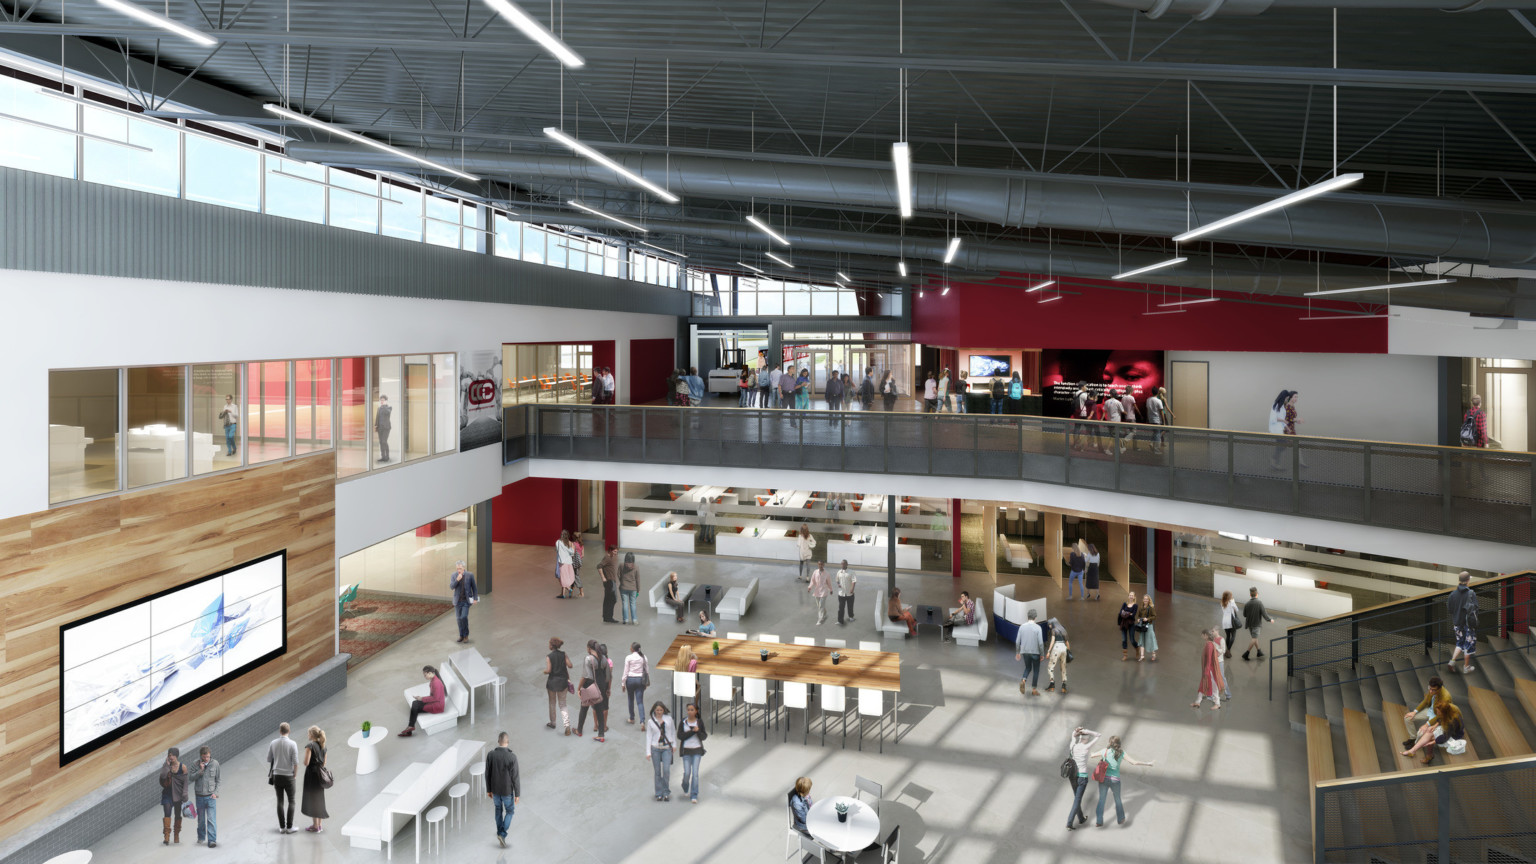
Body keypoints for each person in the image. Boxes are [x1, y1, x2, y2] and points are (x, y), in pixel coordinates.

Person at [1091, 735, 1154, 826]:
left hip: (1103, 779)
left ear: (1110, 743)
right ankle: (1120, 819)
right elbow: (1134, 762)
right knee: (1117, 799)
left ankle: (1099, 821)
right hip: (1115, 780)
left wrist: (1092, 752)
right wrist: (1148, 764)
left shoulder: (1104, 751)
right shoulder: (1122, 753)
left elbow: (1092, 756)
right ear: (1119, 744)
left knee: (1102, 800)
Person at [485, 732, 521, 848]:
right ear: (508, 742)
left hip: (495, 790)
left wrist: (489, 789)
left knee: (498, 809)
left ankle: (499, 832)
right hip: (507, 791)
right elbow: (515, 777)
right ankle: (502, 833)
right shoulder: (512, 757)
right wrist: (517, 793)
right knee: (510, 811)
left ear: (498, 741)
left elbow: (487, 774)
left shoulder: (491, 755)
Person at [266, 723, 300, 834]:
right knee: (292, 801)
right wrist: (294, 774)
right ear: (288, 731)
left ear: (280, 731)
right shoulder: (293, 744)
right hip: (289, 776)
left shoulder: (273, 743)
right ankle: (290, 827)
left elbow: (269, 759)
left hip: (277, 776)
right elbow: (295, 762)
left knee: (280, 801)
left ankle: (282, 827)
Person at [1065, 727, 1100, 830]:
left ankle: (1081, 818)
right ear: (1087, 739)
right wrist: (1087, 731)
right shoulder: (1087, 747)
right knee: (1077, 800)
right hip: (1082, 777)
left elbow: (1072, 736)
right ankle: (1069, 823)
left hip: (1072, 776)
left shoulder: (1073, 745)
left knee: (1077, 798)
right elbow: (1098, 735)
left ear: (1079, 738)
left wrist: (1076, 732)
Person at [399, 665, 446, 737]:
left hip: (437, 706)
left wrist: (422, 699)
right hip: (434, 702)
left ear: (430, 673)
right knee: (415, 704)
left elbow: (435, 698)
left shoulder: (436, 683)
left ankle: (410, 728)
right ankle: (410, 728)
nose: (424, 677)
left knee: (415, 706)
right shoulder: (434, 680)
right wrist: (421, 698)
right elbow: (434, 697)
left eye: (425, 675)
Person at [644, 701, 677, 801]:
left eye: (661, 710)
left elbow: (672, 732)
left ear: (664, 710)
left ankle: (666, 791)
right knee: (657, 772)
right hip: (655, 748)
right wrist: (648, 752)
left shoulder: (669, 719)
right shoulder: (651, 721)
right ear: (654, 710)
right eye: (657, 710)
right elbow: (649, 736)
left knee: (666, 770)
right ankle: (659, 793)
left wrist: (674, 744)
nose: (659, 712)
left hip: (667, 747)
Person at [1447, 571, 1478, 674]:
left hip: (1457, 624)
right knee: (1468, 645)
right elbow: (1475, 609)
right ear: (1468, 580)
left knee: (1460, 643)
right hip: (1468, 624)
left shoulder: (1452, 594)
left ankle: (1452, 662)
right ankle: (1466, 667)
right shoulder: (1471, 593)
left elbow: (1450, 610)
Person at [189, 745, 220, 847]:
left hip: (211, 797)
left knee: (211, 819)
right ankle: (201, 837)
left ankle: (212, 840)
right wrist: (200, 771)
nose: (206, 759)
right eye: (204, 757)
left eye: (208, 757)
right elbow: (191, 778)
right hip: (200, 797)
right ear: (201, 756)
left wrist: (216, 793)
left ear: (210, 755)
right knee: (201, 820)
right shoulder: (195, 764)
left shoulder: (215, 764)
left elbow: (218, 780)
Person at [677, 702, 708, 803]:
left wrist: (698, 731)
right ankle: (685, 786)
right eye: (688, 710)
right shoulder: (683, 722)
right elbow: (680, 736)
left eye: (692, 710)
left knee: (695, 774)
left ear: (696, 711)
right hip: (686, 751)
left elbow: (704, 737)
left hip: (697, 750)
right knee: (687, 773)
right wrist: (692, 732)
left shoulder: (699, 722)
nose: (689, 712)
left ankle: (694, 794)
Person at [159, 746, 189, 845]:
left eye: (172, 755)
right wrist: (166, 765)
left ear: (176, 756)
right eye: (169, 755)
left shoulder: (182, 767)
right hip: (167, 794)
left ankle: (176, 835)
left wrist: (185, 793)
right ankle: (166, 836)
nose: (170, 757)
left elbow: (185, 782)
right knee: (167, 813)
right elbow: (163, 776)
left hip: (178, 795)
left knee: (177, 815)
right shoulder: (166, 766)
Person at [576, 639, 606, 739]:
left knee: (584, 708)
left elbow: (585, 676)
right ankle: (601, 735)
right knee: (599, 710)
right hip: (600, 686)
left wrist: (579, 688)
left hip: (590, 686)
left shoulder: (588, 659)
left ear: (589, 648)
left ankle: (579, 730)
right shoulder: (603, 658)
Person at [300, 726, 328, 833]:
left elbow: (306, 763)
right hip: (320, 776)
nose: (307, 735)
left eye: (308, 734)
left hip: (311, 776)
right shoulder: (323, 747)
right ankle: (319, 825)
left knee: (312, 799)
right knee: (319, 798)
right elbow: (324, 763)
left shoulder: (310, 746)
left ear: (311, 735)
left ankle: (315, 826)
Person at [543, 637, 573, 733]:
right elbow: (570, 665)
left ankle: (553, 723)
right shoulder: (563, 654)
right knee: (563, 704)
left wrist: (544, 671)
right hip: (562, 683)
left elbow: (549, 670)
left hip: (552, 683)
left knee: (552, 703)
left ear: (551, 646)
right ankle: (567, 725)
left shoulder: (549, 657)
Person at [1192, 629, 1226, 709]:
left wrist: (1207, 670)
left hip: (1210, 669)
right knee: (1203, 684)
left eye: (1203, 634)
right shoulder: (1209, 644)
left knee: (1213, 685)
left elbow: (1209, 659)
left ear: (1206, 636)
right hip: (1209, 669)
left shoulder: (1209, 645)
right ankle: (1198, 702)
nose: (1202, 636)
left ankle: (1217, 704)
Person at [1015, 607, 1044, 696]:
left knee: (1028, 668)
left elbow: (1017, 641)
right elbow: (1040, 643)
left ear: (1028, 617)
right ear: (1035, 617)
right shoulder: (1038, 628)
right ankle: (1034, 690)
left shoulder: (1022, 627)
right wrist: (1042, 654)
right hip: (1035, 653)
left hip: (1025, 653)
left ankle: (1023, 680)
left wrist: (1018, 652)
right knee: (1036, 671)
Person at [1241, 586, 1275, 661]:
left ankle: (1259, 651)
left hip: (1250, 624)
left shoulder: (1247, 603)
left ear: (1250, 595)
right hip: (1256, 624)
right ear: (1257, 594)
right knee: (1254, 638)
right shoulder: (1259, 603)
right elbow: (1264, 613)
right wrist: (1270, 620)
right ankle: (1246, 653)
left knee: (1254, 638)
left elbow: (1244, 615)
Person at [449, 559, 478, 643]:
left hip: (466, 601)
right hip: (457, 601)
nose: (459, 570)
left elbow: (474, 588)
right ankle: (461, 635)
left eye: (460, 568)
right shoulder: (454, 575)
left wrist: (475, 598)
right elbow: (451, 587)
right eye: (457, 568)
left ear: (463, 567)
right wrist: (457, 579)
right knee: (458, 619)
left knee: (463, 617)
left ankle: (466, 635)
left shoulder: (470, 575)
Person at [622, 642, 649, 724]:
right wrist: (646, 682)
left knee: (630, 699)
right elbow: (647, 670)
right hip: (640, 680)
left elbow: (626, 671)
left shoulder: (628, 657)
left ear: (633, 649)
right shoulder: (644, 657)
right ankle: (642, 721)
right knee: (640, 701)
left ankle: (632, 718)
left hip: (630, 680)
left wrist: (623, 683)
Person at [1044, 617, 1070, 694]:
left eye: (1049, 624)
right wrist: (1068, 651)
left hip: (1057, 648)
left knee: (1050, 667)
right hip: (1064, 648)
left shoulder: (1054, 630)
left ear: (1052, 624)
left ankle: (1052, 684)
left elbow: (1052, 641)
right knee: (1063, 667)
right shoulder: (1063, 629)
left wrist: (1048, 651)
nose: (1049, 626)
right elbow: (1067, 642)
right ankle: (1064, 686)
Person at [1148, 386, 1173, 453]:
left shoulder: (1152, 399)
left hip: (1153, 418)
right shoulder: (1161, 399)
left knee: (1157, 431)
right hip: (1160, 416)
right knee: (1161, 431)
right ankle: (1155, 446)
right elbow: (1164, 409)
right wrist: (1172, 415)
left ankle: (1153, 442)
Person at [599, 546, 620, 623]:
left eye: (617, 552)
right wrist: (603, 577)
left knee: (608, 599)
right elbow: (599, 566)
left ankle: (606, 616)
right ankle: (609, 617)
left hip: (612, 581)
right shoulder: (607, 558)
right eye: (614, 552)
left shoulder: (610, 557)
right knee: (612, 599)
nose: (616, 553)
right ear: (610, 550)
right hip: (610, 582)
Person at [619, 552, 641, 624]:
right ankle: (634, 620)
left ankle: (626, 620)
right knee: (633, 604)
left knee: (625, 604)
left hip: (623, 588)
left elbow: (618, 574)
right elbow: (638, 579)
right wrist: (638, 590)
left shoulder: (621, 565)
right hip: (633, 589)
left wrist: (622, 581)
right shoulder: (636, 567)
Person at [808, 561, 832, 626]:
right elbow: (812, 580)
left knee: (821, 606)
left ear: (824, 565)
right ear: (818, 565)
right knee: (819, 605)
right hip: (817, 591)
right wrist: (810, 587)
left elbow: (829, 582)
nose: (820, 565)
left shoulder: (827, 573)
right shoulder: (815, 572)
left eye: (821, 564)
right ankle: (825, 612)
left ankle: (820, 619)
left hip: (824, 591)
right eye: (819, 564)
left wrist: (831, 589)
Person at [1219, 591, 1241, 659]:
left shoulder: (1222, 602)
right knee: (1233, 636)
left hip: (1224, 621)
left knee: (1228, 636)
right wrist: (1233, 601)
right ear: (1229, 597)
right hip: (1231, 621)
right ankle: (1228, 650)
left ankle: (1227, 651)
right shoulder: (1231, 602)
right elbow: (1237, 610)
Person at [1118, 591, 1139, 661]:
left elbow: (1133, 615)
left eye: (1132, 595)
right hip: (1124, 623)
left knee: (1132, 640)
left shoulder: (1135, 605)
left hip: (1131, 624)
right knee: (1124, 639)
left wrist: (1125, 613)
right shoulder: (1124, 604)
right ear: (1128, 596)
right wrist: (1128, 613)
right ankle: (1125, 655)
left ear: (1134, 597)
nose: (1131, 596)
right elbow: (1121, 612)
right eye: (1130, 595)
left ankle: (1137, 649)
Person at [555, 529, 576, 599]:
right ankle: (563, 594)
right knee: (565, 577)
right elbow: (573, 553)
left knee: (561, 578)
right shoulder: (570, 543)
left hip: (562, 563)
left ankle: (569, 589)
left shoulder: (558, 542)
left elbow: (557, 550)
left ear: (561, 535)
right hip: (569, 562)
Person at [835, 560, 857, 625]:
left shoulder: (851, 572)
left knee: (850, 606)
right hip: (841, 593)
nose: (842, 565)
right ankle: (840, 621)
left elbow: (854, 581)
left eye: (844, 564)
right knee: (841, 608)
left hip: (850, 593)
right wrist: (838, 583)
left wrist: (852, 589)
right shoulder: (839, 572)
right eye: (841, 564)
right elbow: (837, 580)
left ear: (847, 564)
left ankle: (851, 617)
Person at [1138, 593, 1159, 661]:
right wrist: (1139, 619)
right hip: (1142, 626)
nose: (1145, 600)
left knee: (1150, 639)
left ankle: (1153, 654)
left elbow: (1154, 616)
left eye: (1146, 599)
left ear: (1149, 600)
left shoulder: (1151, 608)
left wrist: (1147, 619)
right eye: (1144, 599)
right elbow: (1139, 615)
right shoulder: (1141, 607)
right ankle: (1142, 656)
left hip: (1148, 626)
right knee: (1142, 639)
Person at [1071, 382, 1092, 450]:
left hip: (1077, 413)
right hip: (1083, 414)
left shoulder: (1076, 393)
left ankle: (1076, 444)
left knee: (1077, 428)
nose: (1086, 387)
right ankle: (1089, 442)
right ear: (1082, 387)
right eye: (1085, 386)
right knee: (1089, 427)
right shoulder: (1084, 395)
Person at [374, 393, 392, 463]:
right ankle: (383, 457)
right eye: (381, 400)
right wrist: (376, 425)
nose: (381, 401)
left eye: (383, 400)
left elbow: (387, 413)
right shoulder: (379, 408)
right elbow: (377, 418)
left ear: (386, 401)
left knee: (384, 441)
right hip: (380, 428)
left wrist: (384, 405)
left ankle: (387, 456)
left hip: (386, 428)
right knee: (381, 442)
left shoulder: (388, 408)